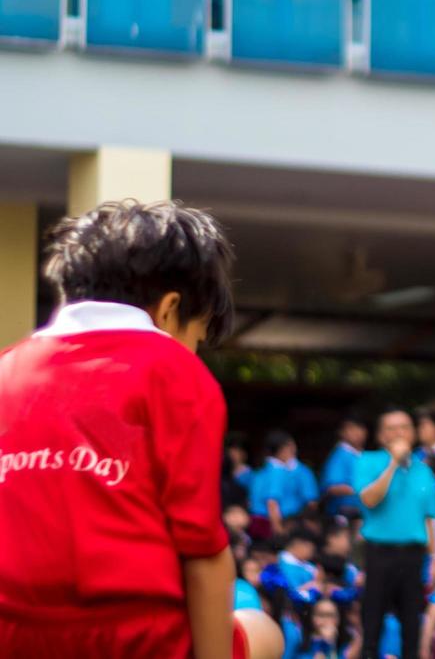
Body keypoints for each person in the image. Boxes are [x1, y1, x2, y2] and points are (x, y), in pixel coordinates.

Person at [0, 200, 282, 658]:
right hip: (135, 637)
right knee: (265, 630)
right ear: (170, 309)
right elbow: (204, 554)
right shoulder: (174, 372)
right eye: (196, 336)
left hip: (13, 634)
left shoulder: (8, 368)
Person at [354, 407, 435, 659]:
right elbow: (369, 499)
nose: (398, 433)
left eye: (404, 427)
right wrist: (394, 463)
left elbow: (429, 519)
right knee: (373, 619)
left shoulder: (423, 470)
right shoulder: (367, 461)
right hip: (379, 552)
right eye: (391, 428)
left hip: (414, 555)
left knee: (411, 622)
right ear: (381, 435)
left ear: (414, 433)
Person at [250, 430, 319, 538]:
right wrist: (278, 529)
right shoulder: (277, 471)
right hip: (272, 523)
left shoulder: (263, 471)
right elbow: (272, 502)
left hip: (261, 522)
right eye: (290, 446)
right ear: (285, 448)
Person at [321, 415, 367, 517]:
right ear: (341, 432)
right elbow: (332, 488)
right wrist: (366, 489)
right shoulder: (340, 455)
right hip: (344, 514)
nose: (356, 432)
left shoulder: (363, 455)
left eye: (359, 428)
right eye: (350, 428)